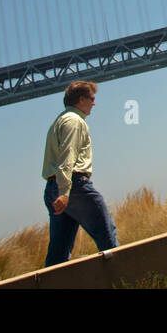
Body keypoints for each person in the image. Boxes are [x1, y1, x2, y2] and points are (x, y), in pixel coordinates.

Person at [42, 80, 117, 267]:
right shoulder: (74, 122)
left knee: (58, 254)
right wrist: (65, 192)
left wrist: (60, 192)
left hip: (53, 187)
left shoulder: (59, 121)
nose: (94, 103)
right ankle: (121, 279)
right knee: (108, 238)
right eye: (92, 99)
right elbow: (68, 157)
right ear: (81, 100)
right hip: (73, 187)